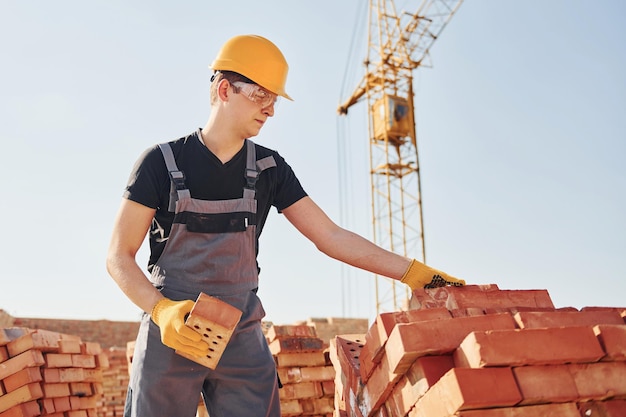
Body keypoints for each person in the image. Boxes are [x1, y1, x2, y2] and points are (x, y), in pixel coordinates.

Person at [105, 34, 465, 417]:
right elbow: (118, 256)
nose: (271, 110)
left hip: (240, 335)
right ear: (225, 89)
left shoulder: (268, 169)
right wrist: (161, 311)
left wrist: (412, 273)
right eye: (262, 96)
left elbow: (330, 235)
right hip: (171, 330)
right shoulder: (160, 163)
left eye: (275, 100)